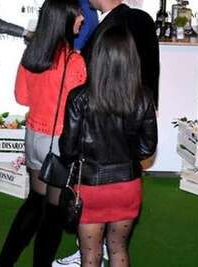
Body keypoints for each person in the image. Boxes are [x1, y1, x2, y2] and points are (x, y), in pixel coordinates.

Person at [0, 0, 87, 267]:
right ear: (64, 20)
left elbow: (21, 97)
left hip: (34, 136)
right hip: (61, 143)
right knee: (54, 212)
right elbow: (80, 111)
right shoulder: (74, 62)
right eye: (77, 13)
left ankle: (4, 262)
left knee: (35, 202)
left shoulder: (32, 53)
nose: (82, 18)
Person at [60, 25, 158, 267]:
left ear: (97, 57)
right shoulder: (143, 96)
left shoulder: (79, 97)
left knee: (90, 254)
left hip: (90, 188)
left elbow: (68, 149)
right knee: (118, 249)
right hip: (127, 186)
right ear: (131, 59)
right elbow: (147, 148)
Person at [83, 0, 159, 106]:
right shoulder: (144, 19)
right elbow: (152, 72)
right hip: (142, 109)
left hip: (111, 113)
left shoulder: (107, 28)